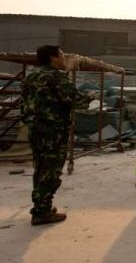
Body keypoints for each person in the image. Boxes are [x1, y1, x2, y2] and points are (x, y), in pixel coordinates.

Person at [20, 45, 94, 226]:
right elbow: (77, 101)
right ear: (53, 58)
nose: (63, 59)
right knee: (51, 172)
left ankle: (41, 206)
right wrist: (91, 96)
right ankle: (41, 213)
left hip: (35, 131)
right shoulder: (56, 78)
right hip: (53, 132)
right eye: (61, 55)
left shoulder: (31, 78)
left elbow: (24, 107)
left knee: (40, 169)